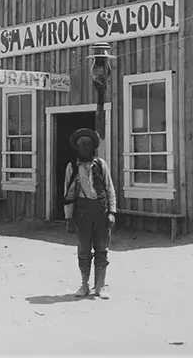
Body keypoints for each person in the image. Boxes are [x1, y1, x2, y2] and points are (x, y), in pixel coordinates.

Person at [63, 128, 116, 300]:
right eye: (81, 145)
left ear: (93, 146)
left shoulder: (100, 164)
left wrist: (112, 212)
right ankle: (84, 284)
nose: (85, 147)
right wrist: (69, 218)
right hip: (82, 213)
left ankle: (100, 286)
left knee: (102, 248)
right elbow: (68, 195)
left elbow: (110, 189)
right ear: (77, 147)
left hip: (101, 211)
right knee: (84, 249)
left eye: (88, 144)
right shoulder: (72, 167)